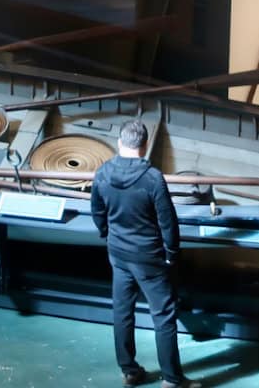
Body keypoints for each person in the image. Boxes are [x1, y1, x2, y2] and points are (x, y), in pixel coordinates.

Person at [90, 120, 195, 388]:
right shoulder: (152, 179)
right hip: (149, 257)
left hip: (118, 253)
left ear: (119, 143)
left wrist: (108, 236)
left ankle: (130, 371)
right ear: (145, 146)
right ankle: (171, 379)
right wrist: (171, 253)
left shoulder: (102, 173)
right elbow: (167, 222)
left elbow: (97, 213)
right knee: (163, 316)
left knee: (122, 311)